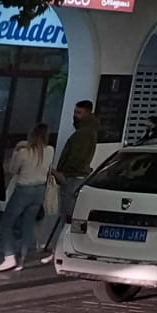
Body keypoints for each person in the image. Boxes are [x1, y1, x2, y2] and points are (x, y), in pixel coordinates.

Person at [0, 123, 53, 273]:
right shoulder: (50, 150)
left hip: (23, 190)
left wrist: (16, 150)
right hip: (39, 190)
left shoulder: (23, 152)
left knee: (6, 224)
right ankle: (22, 259)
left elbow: (13, 169)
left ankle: (9, 256)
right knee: (28, 225)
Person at [43, 100, 99, 257]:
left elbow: (76, 157)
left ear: (87, 113)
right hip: (76, 176)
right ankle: (64, 248)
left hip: (72, 177)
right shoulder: (89, 131)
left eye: (79, 113)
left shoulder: (83, 133)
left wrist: (62, 173)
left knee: (67, 215)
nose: (75, 116)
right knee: (70, 215)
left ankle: (61, 248)